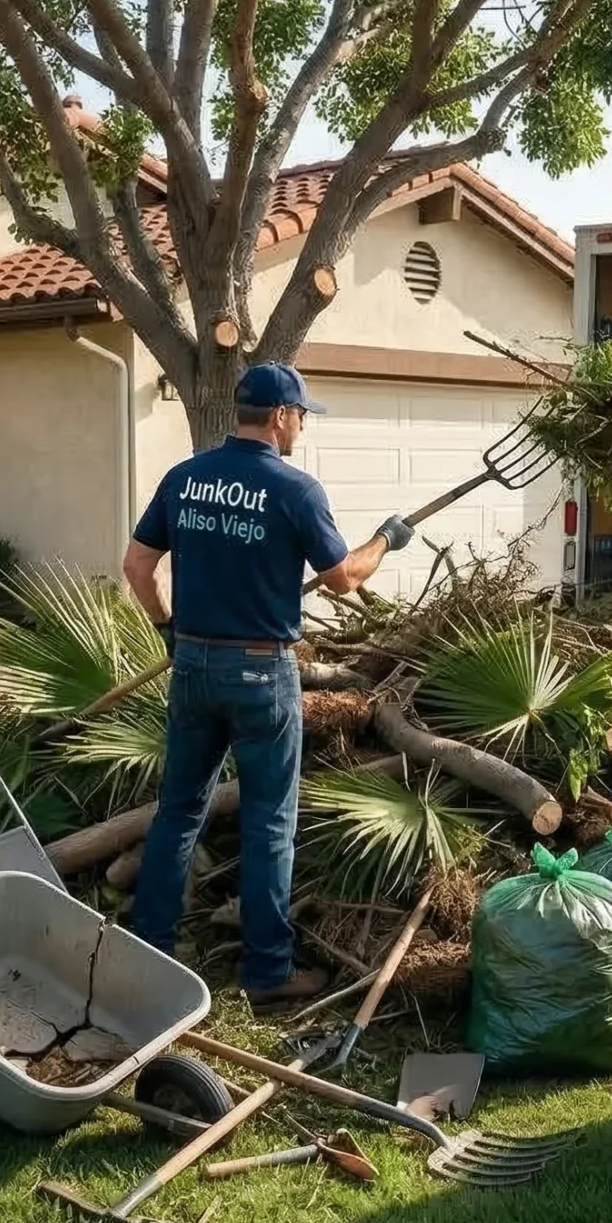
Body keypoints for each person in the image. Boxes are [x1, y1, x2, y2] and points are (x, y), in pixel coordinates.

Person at [121, 362, 413, 1003]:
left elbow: (138, 565)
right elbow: (343, 579)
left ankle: (151, 952)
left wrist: (169, 629)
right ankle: (268, 973)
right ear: (280, 416)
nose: (303, 425)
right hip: (261, 673)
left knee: (178, 812)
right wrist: (385, 540)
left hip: (193, 664)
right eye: (302, 414)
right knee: (268, 822)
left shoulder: (185, 478)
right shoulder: (295, 490)